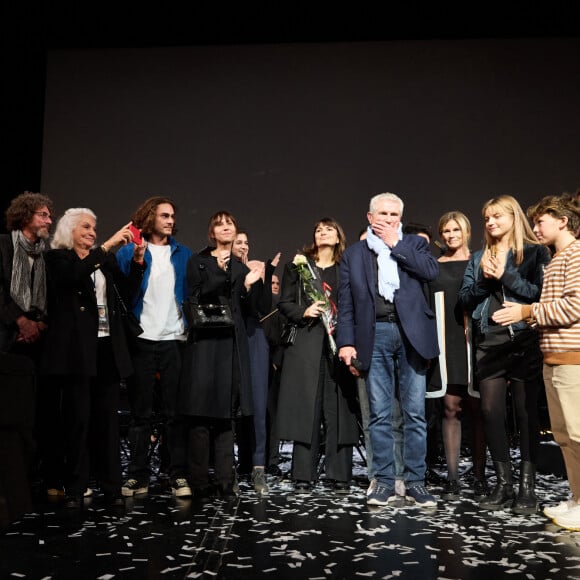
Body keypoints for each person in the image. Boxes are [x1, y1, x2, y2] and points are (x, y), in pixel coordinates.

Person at [337, 192, 439, 507]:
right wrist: (346, 342)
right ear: (369, 217)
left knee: (414, 414)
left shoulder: (414, 245)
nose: (388, 219)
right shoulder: (353, 254)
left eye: (394, 215)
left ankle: (415, 482)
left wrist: (397, 243)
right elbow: (346, 302)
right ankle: (382, 481)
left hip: (411, 334)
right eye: (382, 214)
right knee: (379, 415)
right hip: (374, 334)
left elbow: (430, 271)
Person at [40, 208, 141, 507]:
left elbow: (125, 293)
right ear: (69, 230)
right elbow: (72, 277)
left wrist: (137, 263)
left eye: (95, 228)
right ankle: (77, 483)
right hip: (76, 351)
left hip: (106, 348)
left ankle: (111, 484)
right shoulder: (58, 259)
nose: (92, 233)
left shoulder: (103, 263)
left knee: (107, 419)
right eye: (86, 227)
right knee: (78, 418)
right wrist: (107, 247)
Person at [493, 194, 580, 530]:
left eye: (542, 221)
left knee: (577, 432)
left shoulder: (575, 256)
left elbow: (574, 307)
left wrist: (527, 312)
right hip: (553, 357)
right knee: (564, 435)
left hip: (572, 359)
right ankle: (575, 498)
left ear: (563, 220)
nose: (536, 227)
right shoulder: (556, 258)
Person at [459, 195, 551, 513]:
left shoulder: (536, 252)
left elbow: (540, 294)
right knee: (490, 413)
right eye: (486, 218)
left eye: (497, 216)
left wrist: (506, 276)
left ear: (513, 217)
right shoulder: (477, 257)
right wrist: (486, 279)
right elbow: (466, 301)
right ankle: (503, 485)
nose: (490, 223)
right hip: (489, 343)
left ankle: (527, 489)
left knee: (526, 415)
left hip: (524, 341)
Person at [179, 211, 263, 499]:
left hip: (231, 344)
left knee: (227, 414)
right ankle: (200, 481)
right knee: (201, 413)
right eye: (219, 224)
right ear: (212, 232)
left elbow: (251, 308)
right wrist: (218, 269)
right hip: (205, 343)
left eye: (230, 223)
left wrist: (251, 284)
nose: (226, 227)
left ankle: (226, 481)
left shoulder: (240, 268)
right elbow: (197, 295)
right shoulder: (198, 261)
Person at [116, 197, 193, 498]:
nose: (171, 220)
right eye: (164, 215)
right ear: (150, 218)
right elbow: (123, 291)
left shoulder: (183, 253)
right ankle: (138, 475)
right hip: (142, 339)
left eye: (173, 216)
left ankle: (176, 475)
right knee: (140, 413)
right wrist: (135, 258)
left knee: (175, 413)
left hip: (174, 339)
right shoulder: (128, 252)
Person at [277, 218, 358, 494]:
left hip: (339, 344)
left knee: (338, 408)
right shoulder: (297, 267)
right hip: (306, 343)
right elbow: (284, 303)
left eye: (330, 229)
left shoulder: (346, 268)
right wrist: (303, 312)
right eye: (319, 229)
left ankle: (339, 475)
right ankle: (303, 474)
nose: (323, 232)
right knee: (306, 408)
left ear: (338, 238)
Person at [429, 211, 487, 499]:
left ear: (466, 231)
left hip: (475, 340)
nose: (451, 236)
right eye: (446, 231)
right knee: (450, 408)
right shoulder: (435, 267)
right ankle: (452, 478)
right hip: (446, 342)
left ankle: (479, 476)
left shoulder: (479, 261)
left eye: (456, 230)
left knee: (478, 411)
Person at [231, 230, 280, 495]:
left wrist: (265, 274)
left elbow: (261, 308)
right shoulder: (224, 271)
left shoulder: (258, 273)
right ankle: (235, 466)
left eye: (246, 242)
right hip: (231, 339)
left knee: (258, 405)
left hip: (255, 339)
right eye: (238, 242)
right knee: (234, 406)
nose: (243, 246)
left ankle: (258, 467)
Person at [0, 192, 52, 354]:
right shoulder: (3, 245)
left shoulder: (43, 255)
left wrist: (38, 324)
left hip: (35, 339)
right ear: (25, 216)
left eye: (50, 217)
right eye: (43, 215)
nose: (49, 221)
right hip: (4, 331)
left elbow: (49, 295)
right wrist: (22, 322)